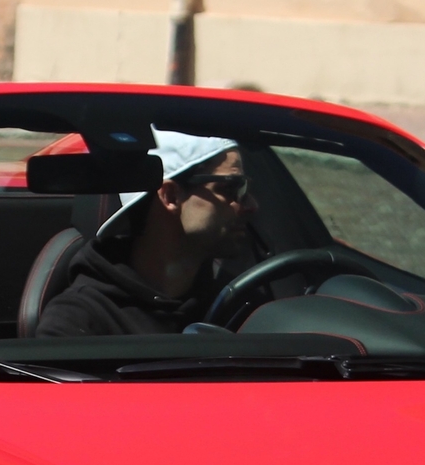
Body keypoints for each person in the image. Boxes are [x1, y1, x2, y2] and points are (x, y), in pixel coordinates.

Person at [33, 135, 258, 338]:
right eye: (232, 188)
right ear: (171, 196)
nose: (251, 205)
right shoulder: (77, 323)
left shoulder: (241, 304)